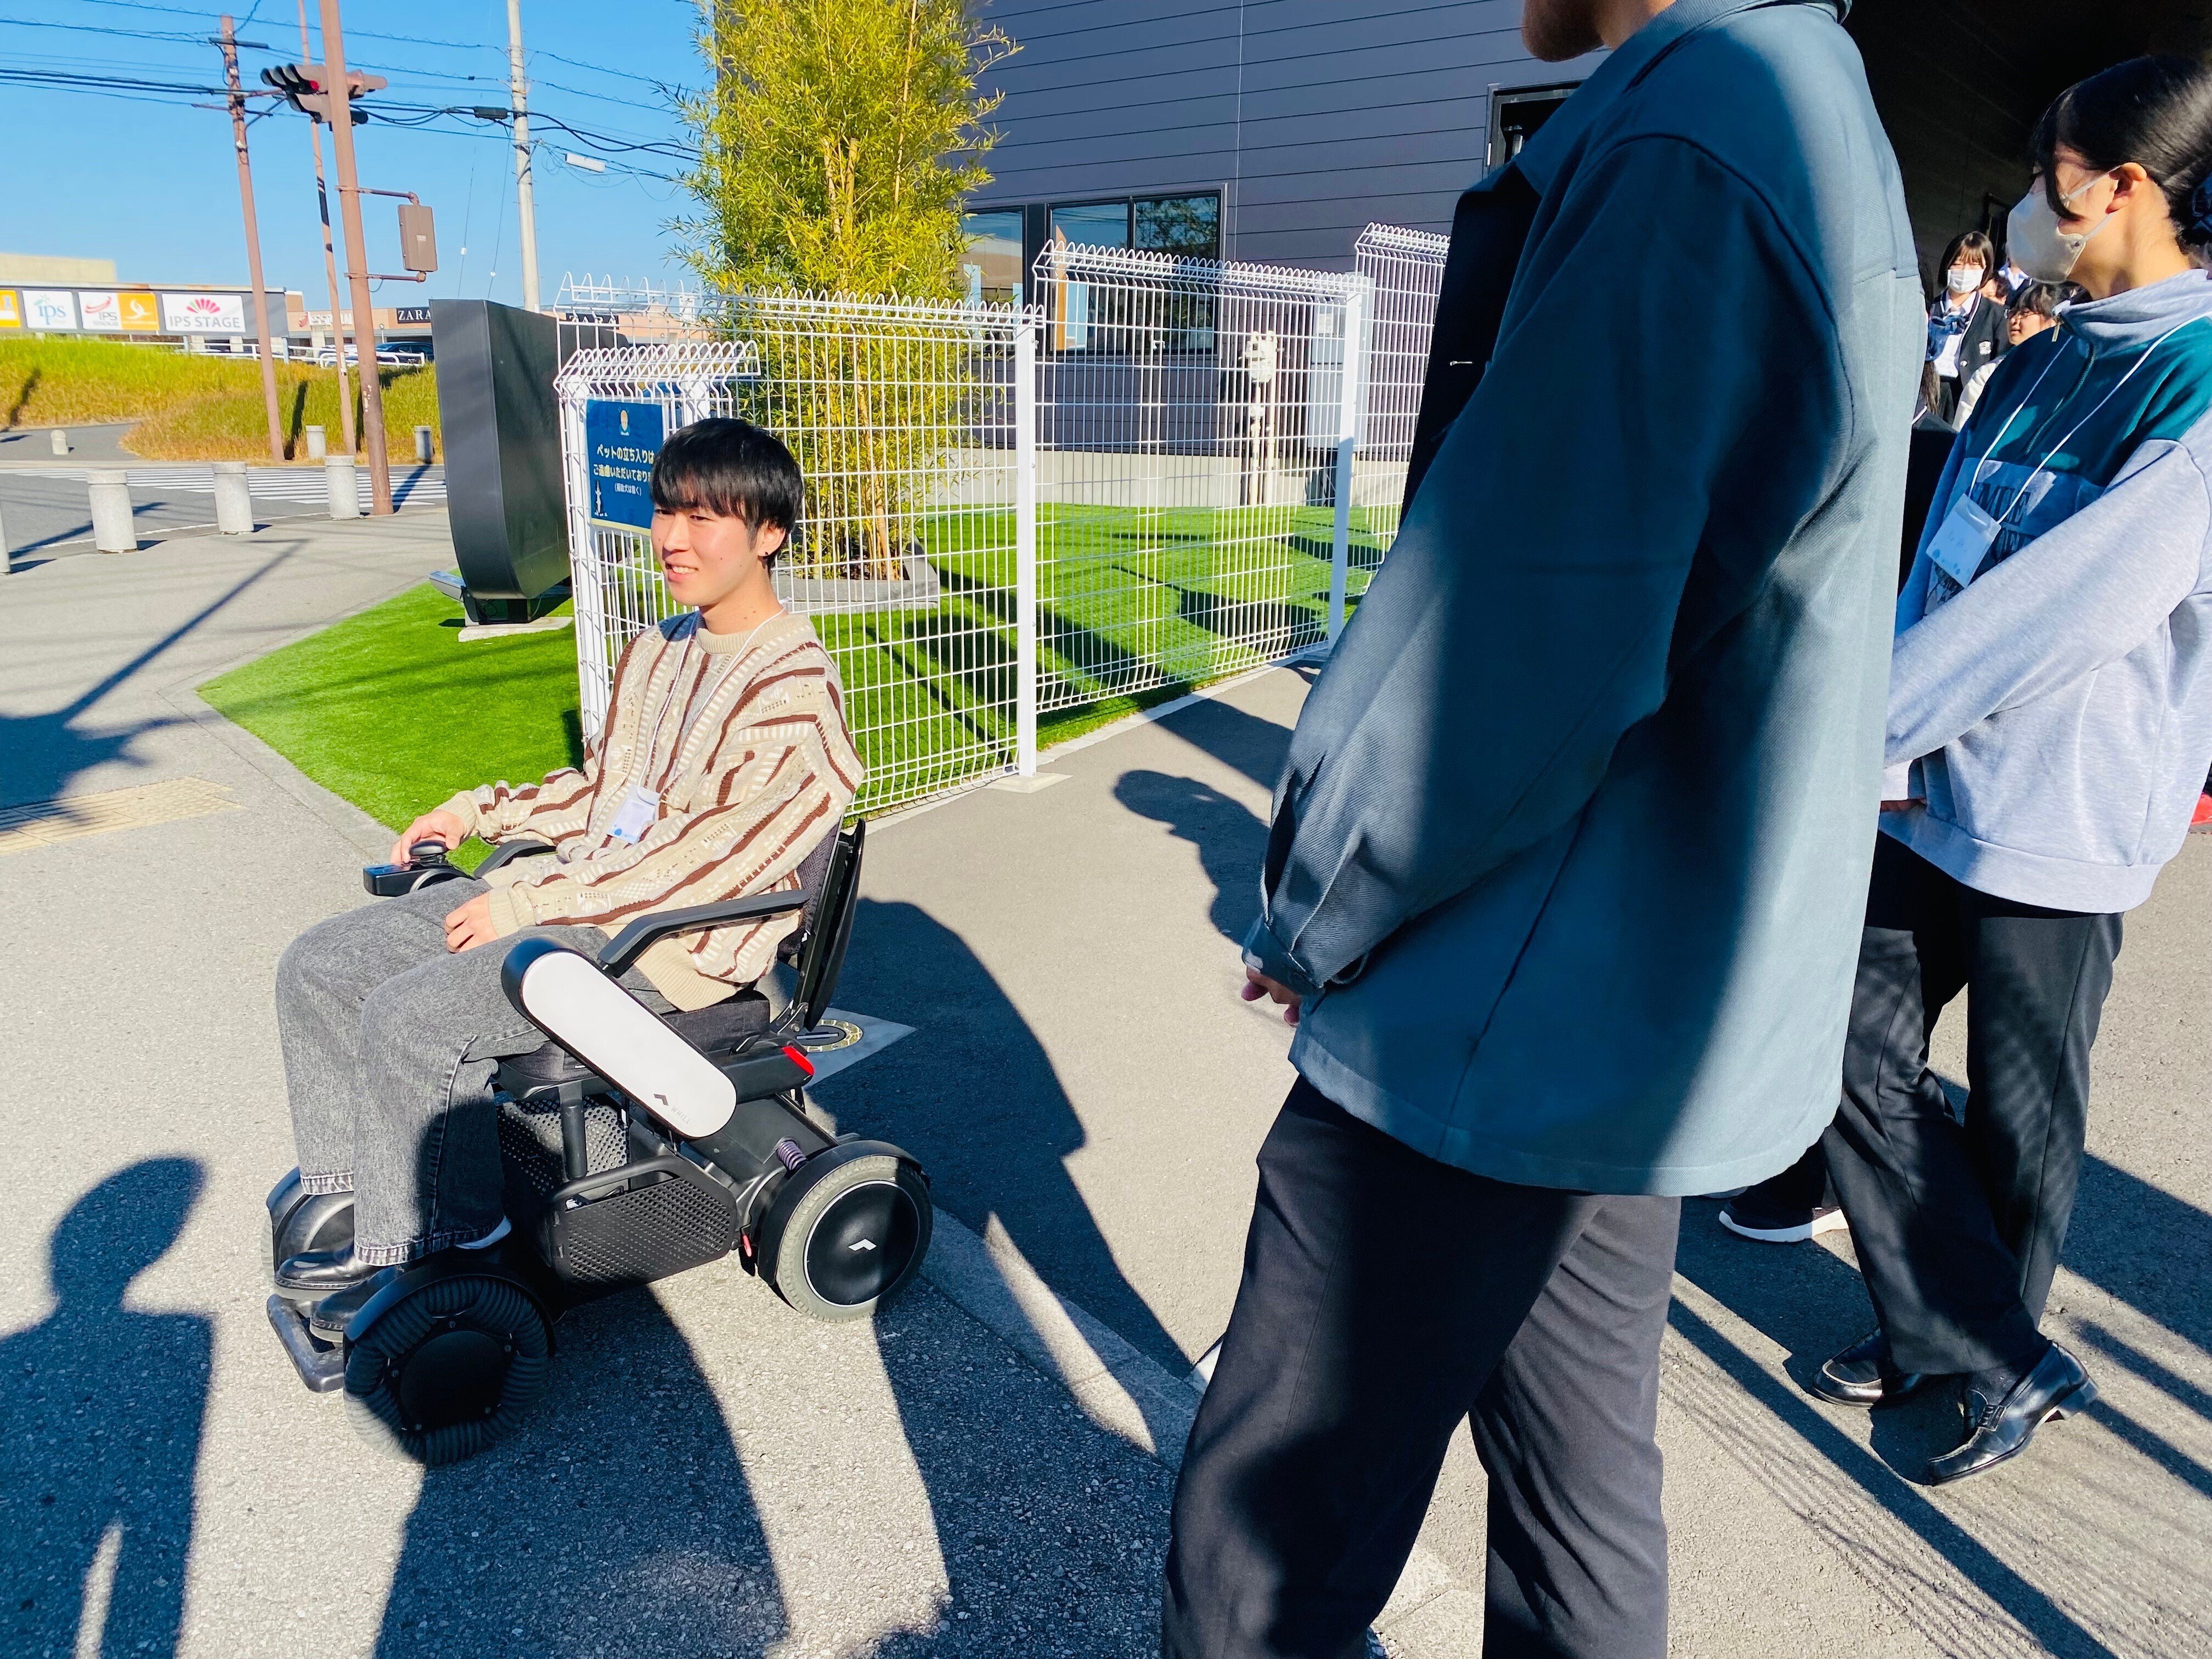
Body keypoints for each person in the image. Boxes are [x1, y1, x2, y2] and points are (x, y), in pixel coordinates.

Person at [1158, 1, 1920, 1654]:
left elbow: (1518, 631)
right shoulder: (1802, 104)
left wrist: (1321, 908)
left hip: (1497, 1002)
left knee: (1268, 1536)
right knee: (1579, 1490)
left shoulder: (1692, 131)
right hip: (1627, 997)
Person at [1811, 55, 2212, 1487]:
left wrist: (1857, 731)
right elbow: (1950, 558)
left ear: (2124, 189)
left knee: (2026, 1108)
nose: (2031, 213)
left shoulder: (2202, 373)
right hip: (1924, 785)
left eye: (2052, 181)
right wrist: (1882, 735)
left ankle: (1969, 1355)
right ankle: (1961, 1331)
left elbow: (2077, 604)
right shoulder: (2047, 352)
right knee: (1837, 1038)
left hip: (2064, 817)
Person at [271, 418, 862, 1324]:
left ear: (768, 532)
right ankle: (361, 1196)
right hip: (580, 894)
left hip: (665, 944)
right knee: (321, 964)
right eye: (667, 510)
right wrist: (475, 811)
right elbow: (601, 792)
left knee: (412, 1017)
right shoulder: (660, 647)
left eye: (705, 518)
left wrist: (531, 902)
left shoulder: (794, 693)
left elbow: (710, 864)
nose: (672, 538)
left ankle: (450, 1256)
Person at [1953, 280, 2075, 424]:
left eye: (2025, 313)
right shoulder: (1990, 374)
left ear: (2054, 321)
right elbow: (1963, 429)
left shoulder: (2072, 372)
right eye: (2013, 313)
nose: (2015, 320)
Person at [1925, 229, 2010, 422]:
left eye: (1974, 265)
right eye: (1958, 262)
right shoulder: (1928, 308)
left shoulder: (1996, 315)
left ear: (1985, 270)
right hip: (1927, 391)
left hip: (1964, 397)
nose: (1965, 270)